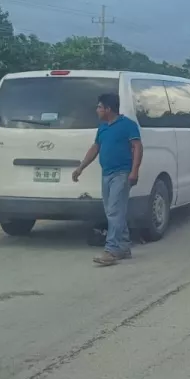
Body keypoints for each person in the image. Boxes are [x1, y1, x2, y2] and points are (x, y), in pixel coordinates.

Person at [72, 93, 143, 267]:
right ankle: (124, 247)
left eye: (99, 107)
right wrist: (81, 167)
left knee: (114, 212)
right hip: (107, 174)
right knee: (113, 211)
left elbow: (137, 147)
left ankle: (111, 250)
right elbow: (95, 148)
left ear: (108, 109)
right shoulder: (103, 128)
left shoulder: (128, 125)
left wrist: (134, 171)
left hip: (122, 173)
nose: (97, 110)